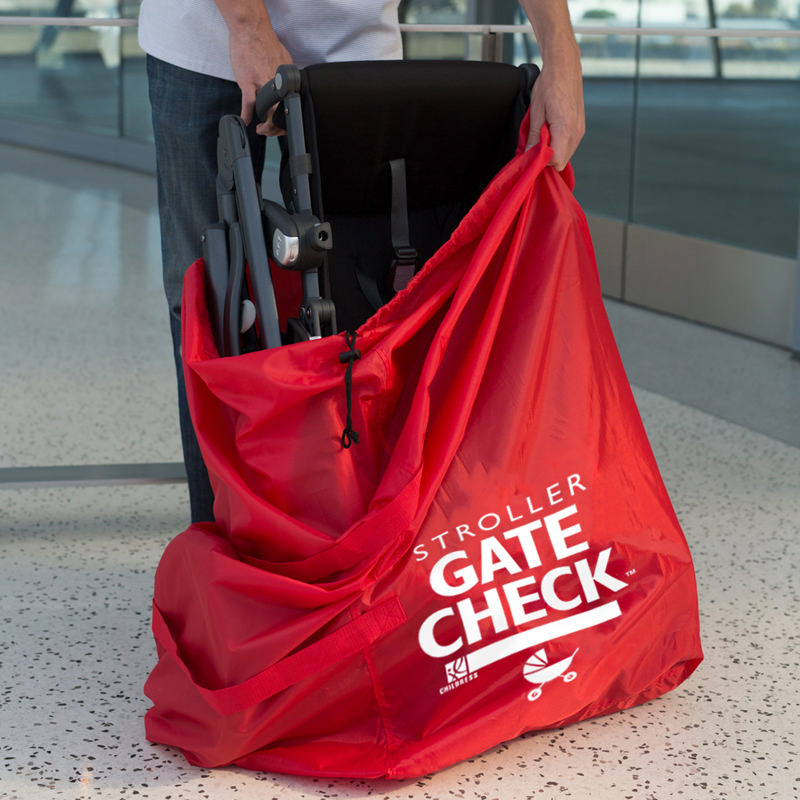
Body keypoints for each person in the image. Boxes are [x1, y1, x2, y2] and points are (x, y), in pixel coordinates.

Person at [138, 0, 585, 524]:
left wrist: (562, 56)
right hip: (208, 40)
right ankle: (224, 545)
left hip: (356, 50)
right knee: (210, 299)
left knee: (356, 296)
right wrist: (248, 27)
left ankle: (345, 536)